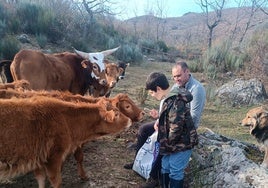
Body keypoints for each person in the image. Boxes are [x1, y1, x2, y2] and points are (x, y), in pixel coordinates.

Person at [124, 61, 206, 188]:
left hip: (182, 143)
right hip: (173, 142)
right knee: (165, 166)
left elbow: (176, 128)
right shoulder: (171, 96)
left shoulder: (178, 100)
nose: (151, 96)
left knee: (175, 171)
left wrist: (164, 143)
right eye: (174, 77)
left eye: (151, 93)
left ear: (158, 89)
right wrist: (159, 121)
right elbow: (169, 120)